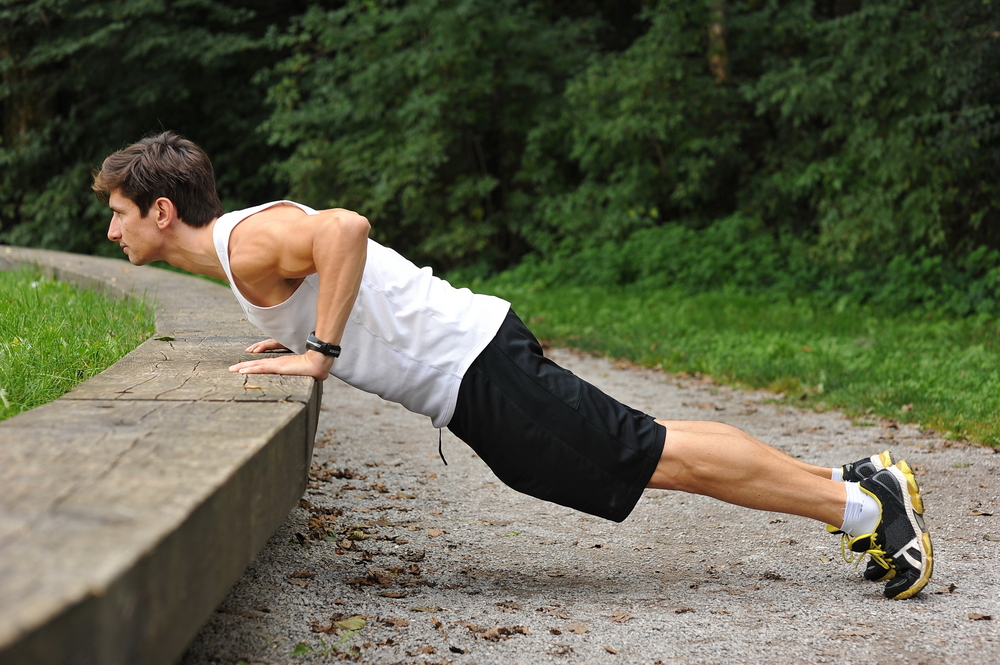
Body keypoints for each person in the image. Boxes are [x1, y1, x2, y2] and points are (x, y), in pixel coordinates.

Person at [93, 131, 932, 599]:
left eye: (120, 212)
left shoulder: (244, 242)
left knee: (651, 453)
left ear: (162, 210)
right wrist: (298, 330)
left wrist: (321, 351)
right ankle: (856, 481)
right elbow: (328, 268)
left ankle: (863, 507)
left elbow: (344, 230)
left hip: (474, 367)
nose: (111, 230)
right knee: (651, 442)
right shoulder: (240, 249)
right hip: (474, 365)